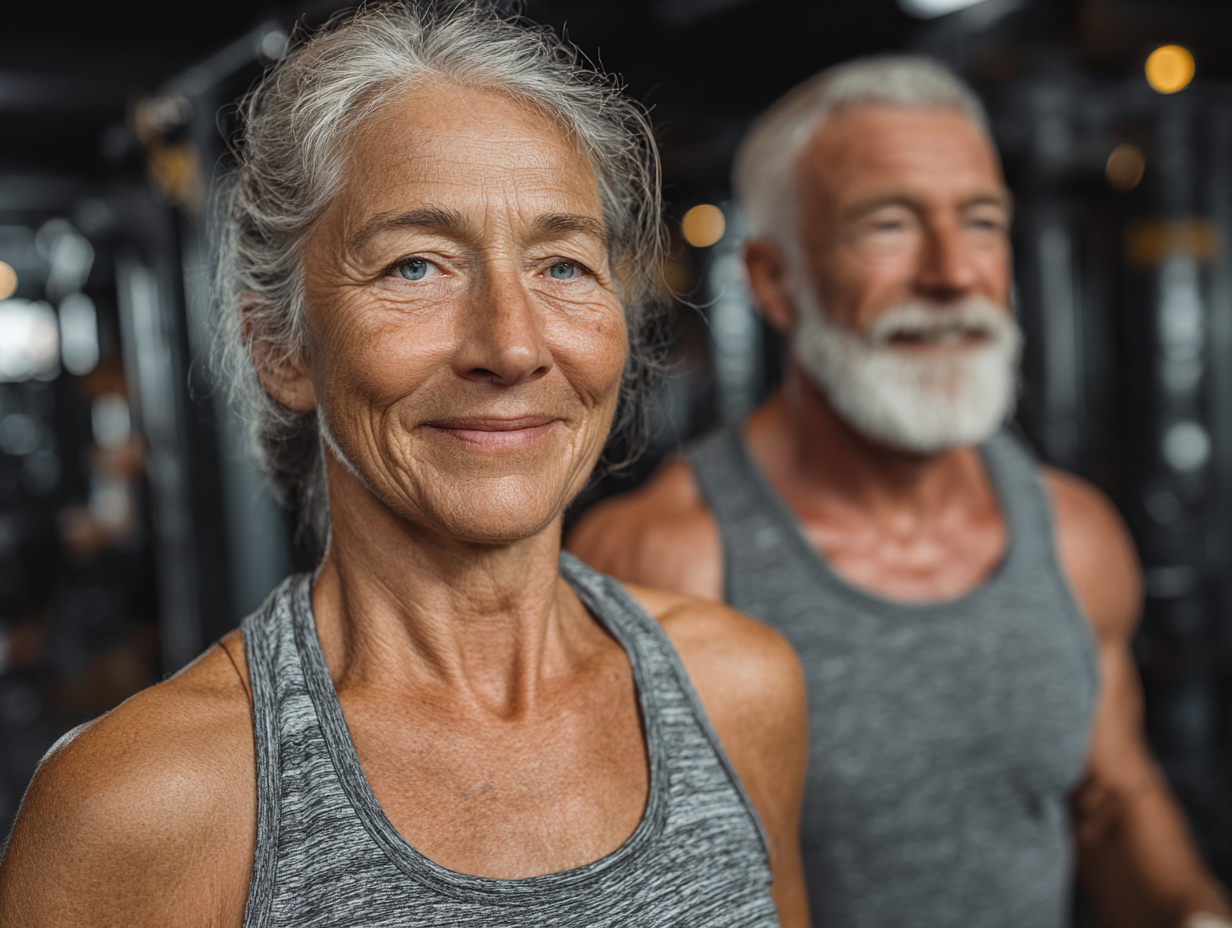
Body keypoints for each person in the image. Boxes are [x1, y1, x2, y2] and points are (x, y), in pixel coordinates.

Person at [0, 6, 810, 927]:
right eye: (415, 267)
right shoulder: (139, 806)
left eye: (563, 265)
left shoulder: (739, 688)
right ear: (281, 348)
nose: (511, 346)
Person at [569, 56, 1232, 928]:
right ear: (774, 281)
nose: (954, 272)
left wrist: (1192, 911)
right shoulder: (662, 561)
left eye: (982, 221)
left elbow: (1110, 799)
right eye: (889, 225)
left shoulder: (1073, 532)